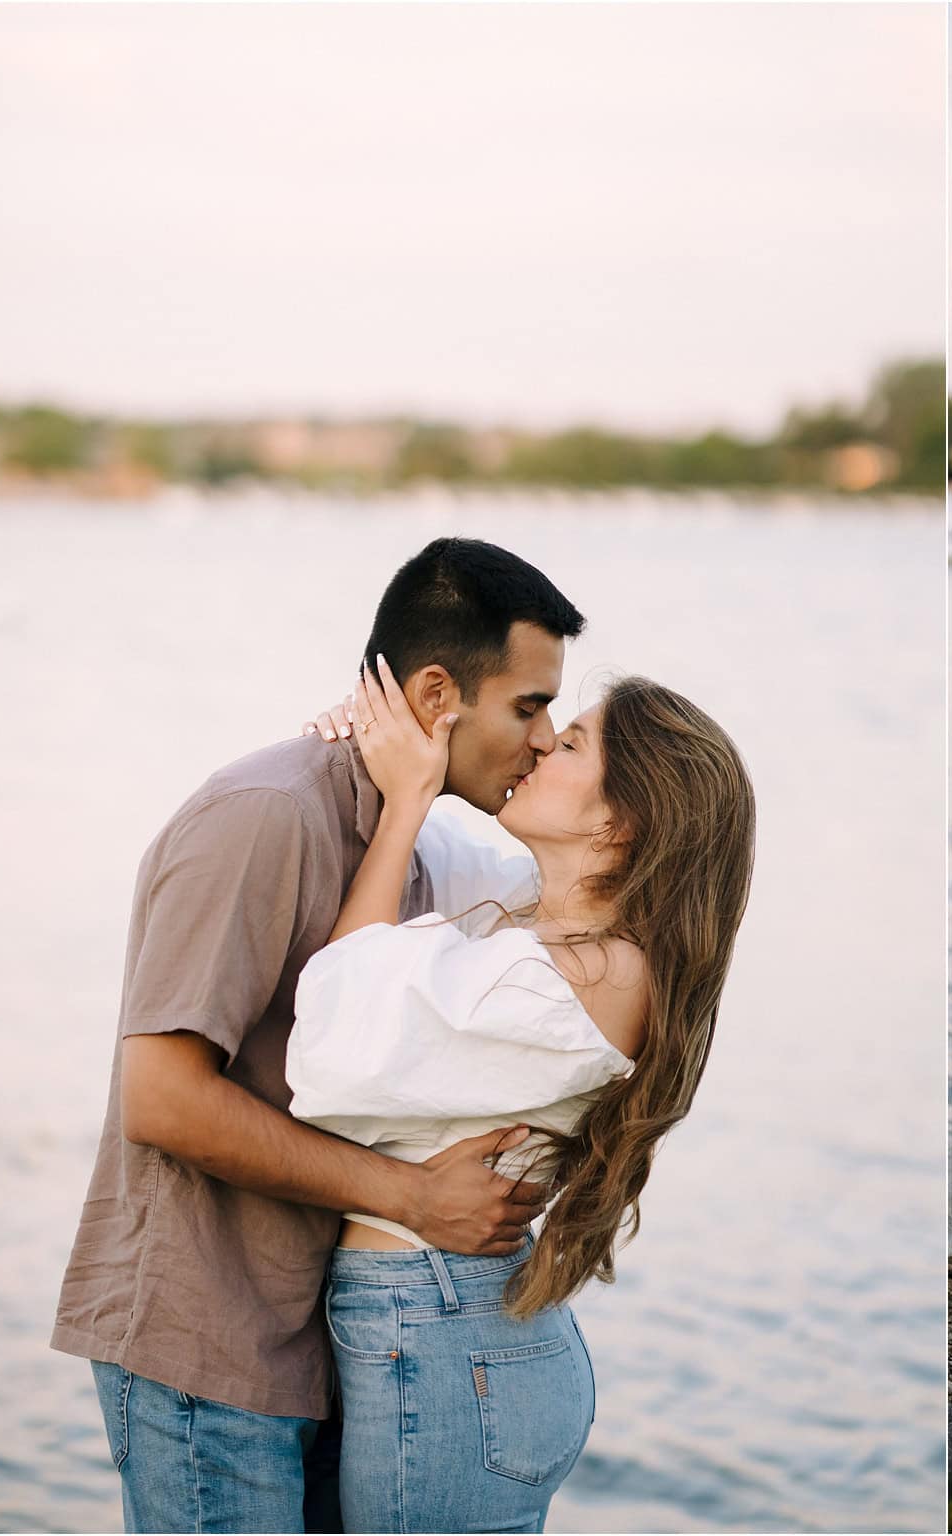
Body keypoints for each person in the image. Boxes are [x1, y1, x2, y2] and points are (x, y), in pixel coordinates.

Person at [52, 537, 587, 1533]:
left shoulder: (414, 835)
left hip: (326, 1348)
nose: (546, 740)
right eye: (528, 706)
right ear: (438, 694)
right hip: (207, 1347)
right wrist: (415, 1199)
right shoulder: (267, 816)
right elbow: (160, 1098)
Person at [288, 661, 754, 1531]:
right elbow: (426, 854)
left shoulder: (586, 977)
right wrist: (371, 753)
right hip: (442, 1324)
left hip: (445, 1331)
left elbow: (327, 1050)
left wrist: (403, 802)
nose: (541, 742)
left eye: (572, 741)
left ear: (618, 823)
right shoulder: (544, 925)